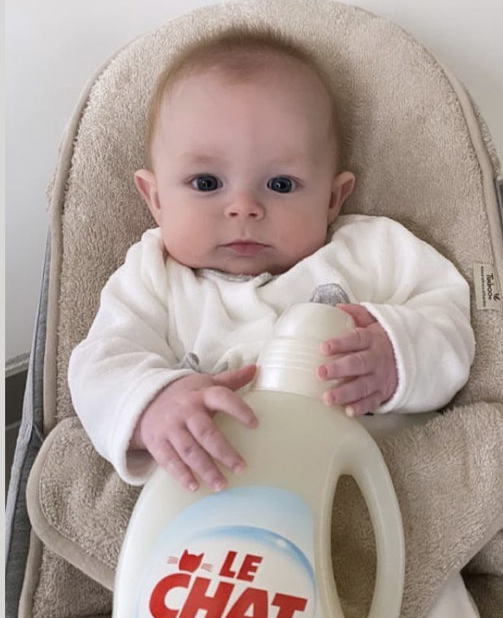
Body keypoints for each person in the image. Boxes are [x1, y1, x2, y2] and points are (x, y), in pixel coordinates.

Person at [68, 28, 475, 490]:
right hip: (214, 495)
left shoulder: (372, 252)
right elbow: (99, 366)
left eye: (281, 184)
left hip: (360, 484)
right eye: (206, 183)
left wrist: (396, 355)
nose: (243, 208)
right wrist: (154, 406)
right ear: (156, 198)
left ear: (332, 198)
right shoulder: (153, 275)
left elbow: (449, 316)